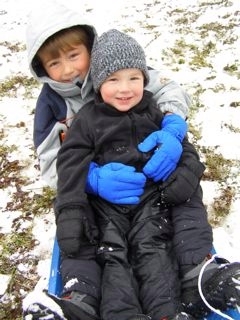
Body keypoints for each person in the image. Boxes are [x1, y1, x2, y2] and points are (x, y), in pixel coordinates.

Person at [54, 29, 240, 320]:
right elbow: (69, 159)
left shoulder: (155, 111)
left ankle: (169, 311)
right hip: (105, 207)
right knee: (112, 255)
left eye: (134, 78)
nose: (124, 88)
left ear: (145, 78)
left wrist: (182, 156)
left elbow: (185, 150)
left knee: (153, 251)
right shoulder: (87, 119)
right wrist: (92, 181)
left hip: (151, 200)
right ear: (99, 83)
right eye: (113, 80)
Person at [23, 2, 193, 320]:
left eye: (74, 55)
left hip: (145, 180)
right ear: (42, 69)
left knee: (156, 235)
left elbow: (168, 88)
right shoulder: (52, 106)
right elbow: (49, 163)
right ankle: (82, 296)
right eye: (54, 63)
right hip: (94, 193)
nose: (69, 69)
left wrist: (172, 125)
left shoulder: (118, 68)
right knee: (95, 238)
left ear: (90, 47)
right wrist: (91, 178)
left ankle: (182, 287)